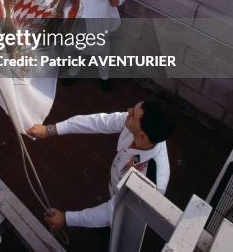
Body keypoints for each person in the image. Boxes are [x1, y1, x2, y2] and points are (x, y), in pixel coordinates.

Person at [26, 98, 176, 232]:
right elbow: (98, 122)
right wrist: (50, 130)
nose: (128, 111)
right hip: (118, 191)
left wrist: (66, 219)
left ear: (142, 136)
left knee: (118, 230)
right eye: (133, 109)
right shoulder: (139, 127)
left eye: (132, 115)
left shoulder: (152, 182)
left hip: (129, 213)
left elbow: (113, 211)